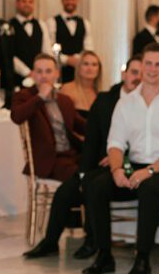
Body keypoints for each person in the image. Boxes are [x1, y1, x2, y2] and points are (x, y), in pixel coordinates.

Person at [23, 55, 142, 261]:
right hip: (101, 162)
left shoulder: (150, 103)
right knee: (67, 190)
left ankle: (92, 240)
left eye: (141, 73)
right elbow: (92, 139)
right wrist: (84, 171)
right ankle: (50, 242)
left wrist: (121, 158)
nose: (137, 78)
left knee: (94, 187)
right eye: (133, 72)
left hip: (132, 165)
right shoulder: (105, 100)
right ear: (123, 74)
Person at [82, 43, 159, 274]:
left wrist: (148, 171)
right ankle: (104, 255)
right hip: (134, 164)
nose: (151, 69)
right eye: (148, 63)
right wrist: (118, 170)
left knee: (149, 189)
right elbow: (115, 143)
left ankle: (142, 260)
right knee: (97, 185)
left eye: (158, 64)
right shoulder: (126, 103)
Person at [10, 53, 85, 182]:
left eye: (48, 71)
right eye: (39, 71)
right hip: (49, 159)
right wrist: (40, 97)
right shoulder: (24, 96)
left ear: (56, 74)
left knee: (98, 170)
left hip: (72, 155)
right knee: (80, 176)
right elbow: (17, 117)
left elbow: (82, 126)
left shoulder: (64, 100)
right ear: (33, 75)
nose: (44, 76)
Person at [47, 0, 94, 84]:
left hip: (80, 70)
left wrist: (78, 59)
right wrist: (66, 60)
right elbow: (49, 46)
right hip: (59, 70)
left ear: (77, 0)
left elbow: (89, 48)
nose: (70, 2)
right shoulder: (52, 22)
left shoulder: (85, 23)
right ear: (62, 0)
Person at [8, 0, 52, 87]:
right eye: (24, 1)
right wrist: (28, 73)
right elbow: (9, 55)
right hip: (17, 79)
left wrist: (45, 71)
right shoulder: (8, 25)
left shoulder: (41, 24)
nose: (27, 4)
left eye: (30, 1)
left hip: (41, 78)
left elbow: (47, 50)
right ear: (17, 3)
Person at [60, 49, 102, 117]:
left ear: (99, 69)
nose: (90, 68)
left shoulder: (99, 94)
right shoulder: (67, 89)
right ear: (78, 67)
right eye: (86, 64)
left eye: (94, 65)